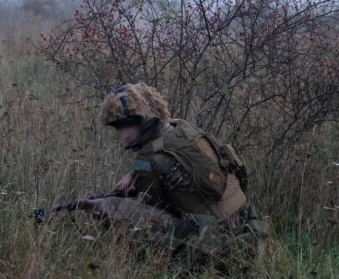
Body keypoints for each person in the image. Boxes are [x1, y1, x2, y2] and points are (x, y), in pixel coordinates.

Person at [82, 82, 269, 262]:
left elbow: (153, 207)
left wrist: (103, 203)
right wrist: (133, 176)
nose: (123, 136)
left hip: (215, 242)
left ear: (146, 119)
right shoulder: (183, 128)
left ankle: (143, 263)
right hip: (247, 226)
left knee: (112, 206)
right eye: (118, 128)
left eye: (127, 126)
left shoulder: (147, 159)